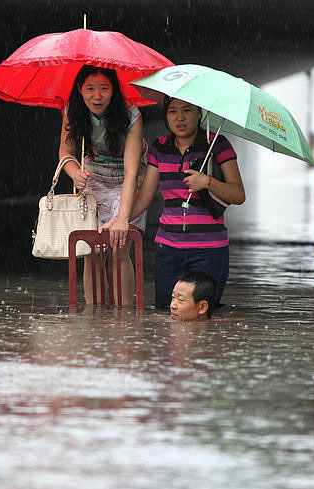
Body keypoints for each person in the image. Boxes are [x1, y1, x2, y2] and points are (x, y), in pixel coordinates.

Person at [129, 97, 245, 308]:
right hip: (168, 249)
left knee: (202, 316)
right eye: (173, 111)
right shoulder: (160, 148)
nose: (180, 117)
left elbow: (238, 194)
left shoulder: (217, 145)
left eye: (187, 110)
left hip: (209, 251)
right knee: (167, 313)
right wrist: (119, 220)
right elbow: (145, 196)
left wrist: (208, 182)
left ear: (200, 113)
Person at [58, 65, 147, 306]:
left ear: (114, 90)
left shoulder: (131, 115)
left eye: (104, 89)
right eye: (90, 89)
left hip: (125, 180)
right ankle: (92, 316)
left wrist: (122, 217)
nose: (97, 97)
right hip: (94, 178)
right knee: (92, 252)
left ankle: (124, 318)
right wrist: (75, 172)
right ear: (79, 89)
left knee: (118, 250)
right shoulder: (72, 110)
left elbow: (131, 172)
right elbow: (65, 153)